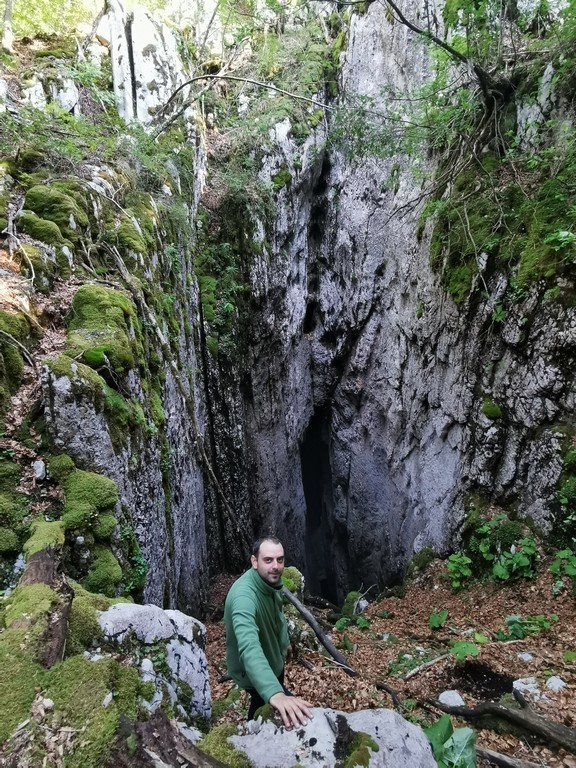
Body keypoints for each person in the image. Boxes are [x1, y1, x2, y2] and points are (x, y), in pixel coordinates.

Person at [224, 536, 313, 729]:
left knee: (263, 704)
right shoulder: (244, 597)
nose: (276, 566)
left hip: (273, 659)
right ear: (254, 562)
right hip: (253, 672)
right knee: (263, 704)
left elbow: (277, 614)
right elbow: (249, 646)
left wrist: (284, 641)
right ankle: (252, 737)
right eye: (268, 560)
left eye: (280, 560)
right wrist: (275, 693)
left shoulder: (269, 583)